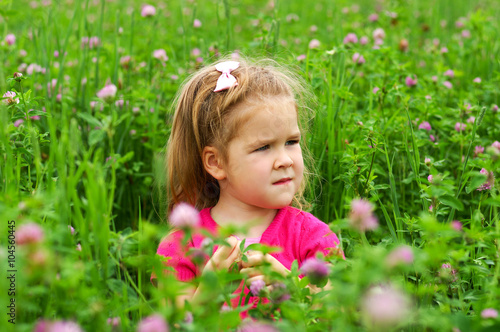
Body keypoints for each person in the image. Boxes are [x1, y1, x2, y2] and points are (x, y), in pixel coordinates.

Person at [154, 57, 341, 311]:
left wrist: (290, 288)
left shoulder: (314, 237)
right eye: (264, 147)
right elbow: (175, 324)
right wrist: (209, 290)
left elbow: (338, 312)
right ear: (216, 162)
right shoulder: (181, 246)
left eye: (291, 142)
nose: (285, 160)